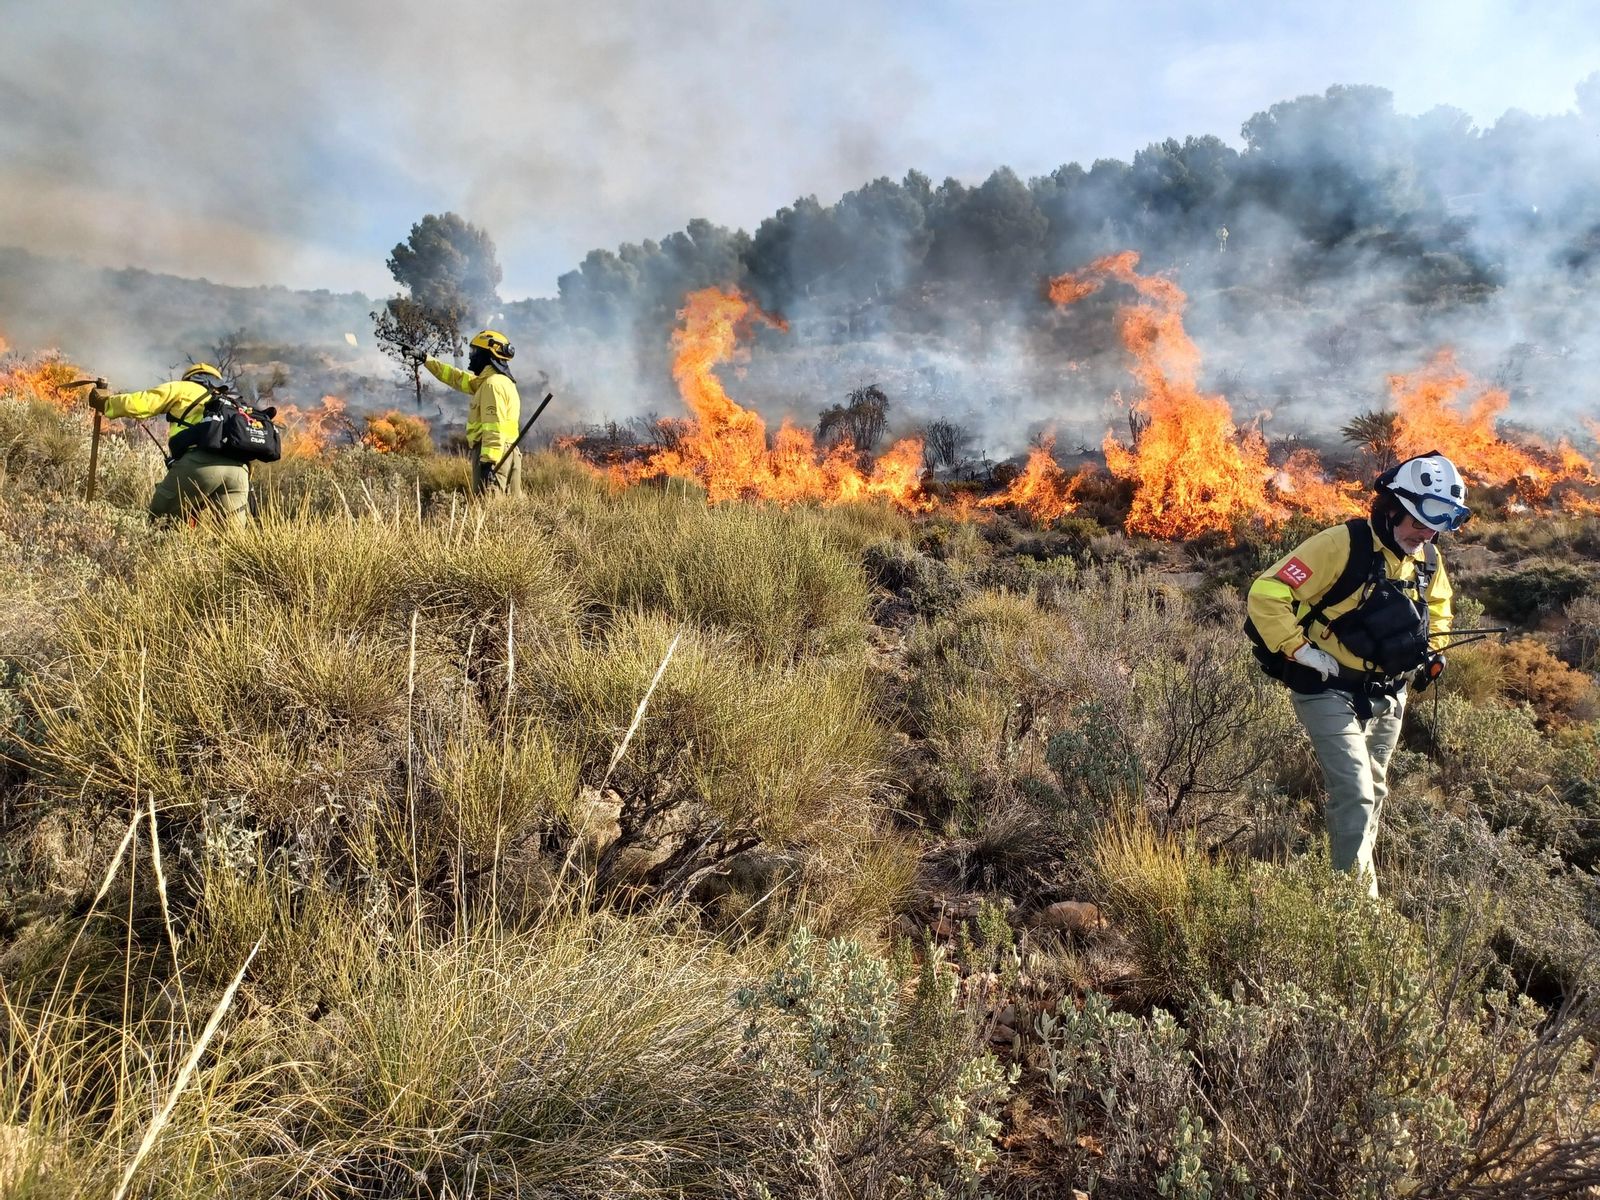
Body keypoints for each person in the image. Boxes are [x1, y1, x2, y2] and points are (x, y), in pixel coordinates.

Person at [1246, 453, 1468, 896]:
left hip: (1389, 692)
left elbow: (1439, 610)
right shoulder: (1341, 544)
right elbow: (1267, 592)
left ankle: (1354, 878)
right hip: (1328, 688)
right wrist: (1299, 649)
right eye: (1420, 522)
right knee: (1356, 792)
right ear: (1392, 508)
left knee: (1376, 790)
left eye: (1437, 527)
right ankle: (1355, 910)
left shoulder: (1427, 557)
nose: (1426, 534)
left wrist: (1433, 653)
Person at [89, 364, 251, 525]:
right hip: (239, 472)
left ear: (190, 377)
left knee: (160, 524)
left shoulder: (184, 388)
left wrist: (106, 403)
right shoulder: (231, 400)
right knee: (229, 541)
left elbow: (142, 403)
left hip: (199, 465)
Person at [421, 330, 521, 497]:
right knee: (509, 509)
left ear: (487, 355)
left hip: (494, 455)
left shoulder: (492, 385)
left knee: (490, 508)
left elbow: (494, 427)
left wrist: (488, 464)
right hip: (505, 452)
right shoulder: (497, 381)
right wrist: (426, 359)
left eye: (475, 352)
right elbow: (457, 378)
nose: (471, 356)